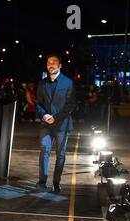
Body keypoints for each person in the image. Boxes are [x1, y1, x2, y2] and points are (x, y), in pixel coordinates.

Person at [36, 54, 76, 194]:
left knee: (61, 154)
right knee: (44, 150)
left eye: (54, 62)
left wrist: (56, 117)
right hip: (46, 123)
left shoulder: (68, 82)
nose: (50, 65)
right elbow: (39, 104)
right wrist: (44, 115)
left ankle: (56, 183)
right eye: (48, 63)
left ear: (60, 66)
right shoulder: (42, 83)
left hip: (62, 124)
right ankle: (42, 181)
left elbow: (70, 105)